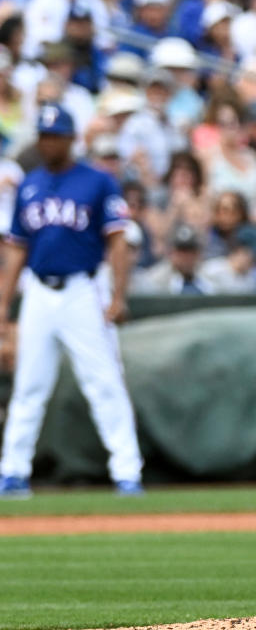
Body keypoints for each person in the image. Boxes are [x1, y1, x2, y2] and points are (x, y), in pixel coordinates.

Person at [0, 105, 144, 498]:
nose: (48, 143)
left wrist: (117, 295)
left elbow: (117, 240)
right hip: (39, 294)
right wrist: (2, 305)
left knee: (104, 383)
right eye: (43, 136)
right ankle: (12, 473)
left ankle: (127, 472)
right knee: (29, 386)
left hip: (83, 289)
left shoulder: (97, 181)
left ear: (70, 138)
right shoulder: (29, 184)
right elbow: (16, 249)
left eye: (55, 136)